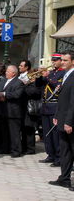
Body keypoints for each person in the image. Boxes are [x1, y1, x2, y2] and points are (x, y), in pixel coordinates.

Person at [49, 50, 74, 191]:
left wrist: (69, 121)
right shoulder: (66, 75)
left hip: (70, 122)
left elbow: (73, 102)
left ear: (73, 61)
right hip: (62, 119)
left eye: (65, 60)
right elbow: (62, 99)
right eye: (62, 60)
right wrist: (57, 116)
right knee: (65, 151)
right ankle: (64, 179)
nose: (62, 62)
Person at [37, 53, 65, 167]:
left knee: (55, 134)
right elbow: (38, 84)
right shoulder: (52, 72)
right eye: (52, 60)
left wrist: (47, 76)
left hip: (54, 106)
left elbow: (57, 85)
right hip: (45, 106)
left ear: (60, 61)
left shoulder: (63, 73)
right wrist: (39, 75)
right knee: (47, 133)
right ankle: (50, 154)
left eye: (55, 60)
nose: (53, 62)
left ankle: (58, 157)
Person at [0, 65, 25, 158]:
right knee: (4, 131)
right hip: (4, 110)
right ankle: (5, 148)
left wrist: (4, 94)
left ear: (13, 73)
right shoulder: (3, 81)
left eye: (8, 71)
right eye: (6, 71)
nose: (6, 72)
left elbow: (17, 95)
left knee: (14, 133)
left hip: (13, 112)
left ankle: (16, 150)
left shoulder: (19, 83)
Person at [19, 60, 39, 155]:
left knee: (29, 127)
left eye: (21, 66)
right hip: (22, 106)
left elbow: (35, 91)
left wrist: (24, 85)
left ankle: (30, 148)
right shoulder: (20, 76)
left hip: (29, 105)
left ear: (27, 67)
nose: (19, 67)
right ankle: (24, 147)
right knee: (23, 127)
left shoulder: (32, 76)